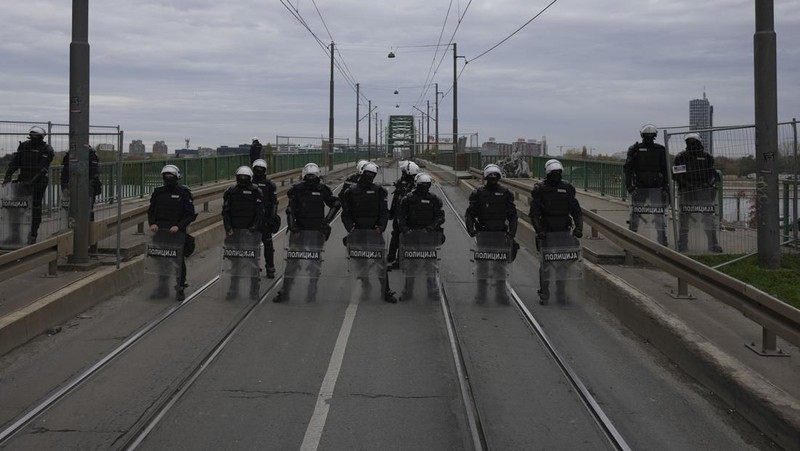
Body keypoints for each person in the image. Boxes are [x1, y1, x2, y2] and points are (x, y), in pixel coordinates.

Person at [278, 163, 341, 302]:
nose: (311, 178)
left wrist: (326, 222)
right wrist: (293, 227)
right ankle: (286, 290)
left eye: (313, 176)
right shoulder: (297, 190)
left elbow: (336, 204)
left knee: (313, 261)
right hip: (299, 231)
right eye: (309, 176)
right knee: (293, 261)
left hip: (314, 231)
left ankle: (311, 289)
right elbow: (290, 210)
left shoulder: (322, 189)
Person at [341, 162, 397, 303]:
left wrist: (381, 227)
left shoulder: (379, 191)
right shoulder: (351, 192)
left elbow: (384, 212)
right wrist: (350, 228)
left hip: (374, 232)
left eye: (372, 175)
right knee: (360, 262)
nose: (370, 177)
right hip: (358, 232)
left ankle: (386, 291)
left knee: (381, 263)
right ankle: (366, 285)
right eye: (368, 174)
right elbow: (346, 213)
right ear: (362, 173)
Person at [529, 159, 583, 304]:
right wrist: (539, 230)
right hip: (546, 232)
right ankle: (544, 293)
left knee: (564, 264)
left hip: (564, 232)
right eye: (554, 173)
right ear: (548, 173)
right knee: (546, 264)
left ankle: (561, 293)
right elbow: (534, 213)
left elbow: (576, 211)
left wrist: (579, 228)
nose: (556, 175)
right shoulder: (540, 189)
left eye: (558, 173)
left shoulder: (567, 188)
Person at [465, 164, 519, 301]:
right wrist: (470, 229)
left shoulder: (506, 193)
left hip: (501, 235)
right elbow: (470, 214)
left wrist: (512, 233)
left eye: (496, 176)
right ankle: (481, 293)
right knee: (482, 265)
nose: (493, 178)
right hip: (484, 235)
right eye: (491, 176)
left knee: (500, 266)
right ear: (486, 177)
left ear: (499, 177)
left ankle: (501, 294)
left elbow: (513, 215)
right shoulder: (478, 193)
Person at [147, 164, 197, 301]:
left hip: (176, 233)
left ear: (177, 177)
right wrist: (153, 223)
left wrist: (179, 226)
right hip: (160, 232)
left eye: (171, 176)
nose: (168, 178)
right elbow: (151, 211)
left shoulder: (184, 193)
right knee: (162, 261)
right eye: (166, 176)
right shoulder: (158, 192)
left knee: (178, 261)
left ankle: (180, 288)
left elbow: (190, 214)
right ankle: (162, 287)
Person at [2, 126, 55, 244]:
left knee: (35, 208)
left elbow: (43, 169)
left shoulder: (46, 149)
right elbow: (14, 163)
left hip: (38, 182)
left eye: (35, 135)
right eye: (31, 135)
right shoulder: (24, 146)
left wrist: (31, 182)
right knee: (15, 208)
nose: (32, 137)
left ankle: (32, 235)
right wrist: (8, 176)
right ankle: (14, 235)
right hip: (22, 182)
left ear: (41, 137)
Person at [396, 172, 445, 300]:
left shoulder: (434, 199)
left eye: (427, 185)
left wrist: (432, 227)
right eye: (422, 185)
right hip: (412, 237)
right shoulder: (407, 199)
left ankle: (432, 291)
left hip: (428, 237)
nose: (424, 187)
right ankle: (408, 292)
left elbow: (440, 217)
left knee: (430, 265)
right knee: (411, 265)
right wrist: (405, 230)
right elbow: (400, 217)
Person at [672, 133, 722, 253]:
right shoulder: (681, 157)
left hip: (704, 192)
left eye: (693, 141)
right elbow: (676, 174)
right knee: (685, 219)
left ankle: (713, 244)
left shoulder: (707, 157)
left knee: (708, 219)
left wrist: (709, 183)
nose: (692, 144)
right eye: (690, 142)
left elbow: (713, 174)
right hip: (687, 191)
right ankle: (683, 244)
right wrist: (688, 185)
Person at [624, 124, 670, 246]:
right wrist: (666, 186)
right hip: (655, 187)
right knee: (658, 213)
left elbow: (627, 170)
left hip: (641, 186)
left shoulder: (635, 150)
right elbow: (666, 170)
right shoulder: (660, 150)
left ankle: (632, 238)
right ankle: (661, 239)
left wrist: (630, 187)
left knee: (636, 212)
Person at [222, 166, 264, 300]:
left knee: (252, 261)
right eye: (241, 177)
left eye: (245, 178)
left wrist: (254, 228)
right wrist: (228, 228)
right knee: (235, 261)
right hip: (234, 232)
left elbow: (259, 213)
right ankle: (233, 289)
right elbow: (226, 212)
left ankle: (254, 289)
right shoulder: (231, 191)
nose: (243, 180)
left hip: (251, 233)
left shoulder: (256, 191)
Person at [387, 161, 419, 270]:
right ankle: (392, 256)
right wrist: (392, 212)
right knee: (397, 234)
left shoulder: (412, 184)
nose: (402, 173)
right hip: (401, 214)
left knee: (400, 235)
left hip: (405, 215)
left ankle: (400, 258)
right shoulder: (406, 182)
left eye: (404, 171)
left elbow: (397, 198)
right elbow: (396, 198)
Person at [252, 159, 279, 277]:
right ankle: (253, 267)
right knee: (252, 246)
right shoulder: (249, 182)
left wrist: (271, 219)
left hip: (265, 220)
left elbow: (274, 203)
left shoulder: (270, 184)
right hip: (253, 220)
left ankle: (270, 267)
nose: (259, 171)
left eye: (261, 169)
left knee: (268, 244)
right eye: (257, 168)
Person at [60, 144, 101, 221]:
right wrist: (64, 185)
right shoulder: (71, 154)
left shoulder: (90, 155)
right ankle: (74, 225)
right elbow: (65, 171)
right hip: (73, 185)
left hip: (87, 186)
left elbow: (94, 172)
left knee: (86, 209)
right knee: (71, 208)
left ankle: (86, 227)